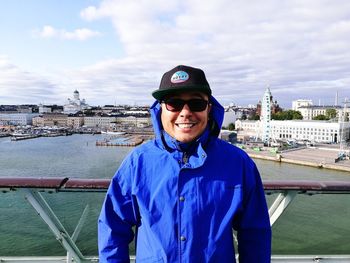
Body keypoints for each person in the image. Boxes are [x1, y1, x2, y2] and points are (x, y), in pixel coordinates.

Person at [98, 65, 271, 262]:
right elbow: (112, 229)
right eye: (174, 103)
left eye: (196, 103)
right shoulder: (137, 162)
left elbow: (255, 234)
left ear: (209, 108)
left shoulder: (238, 163)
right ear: (160, 109)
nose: (185, 112)